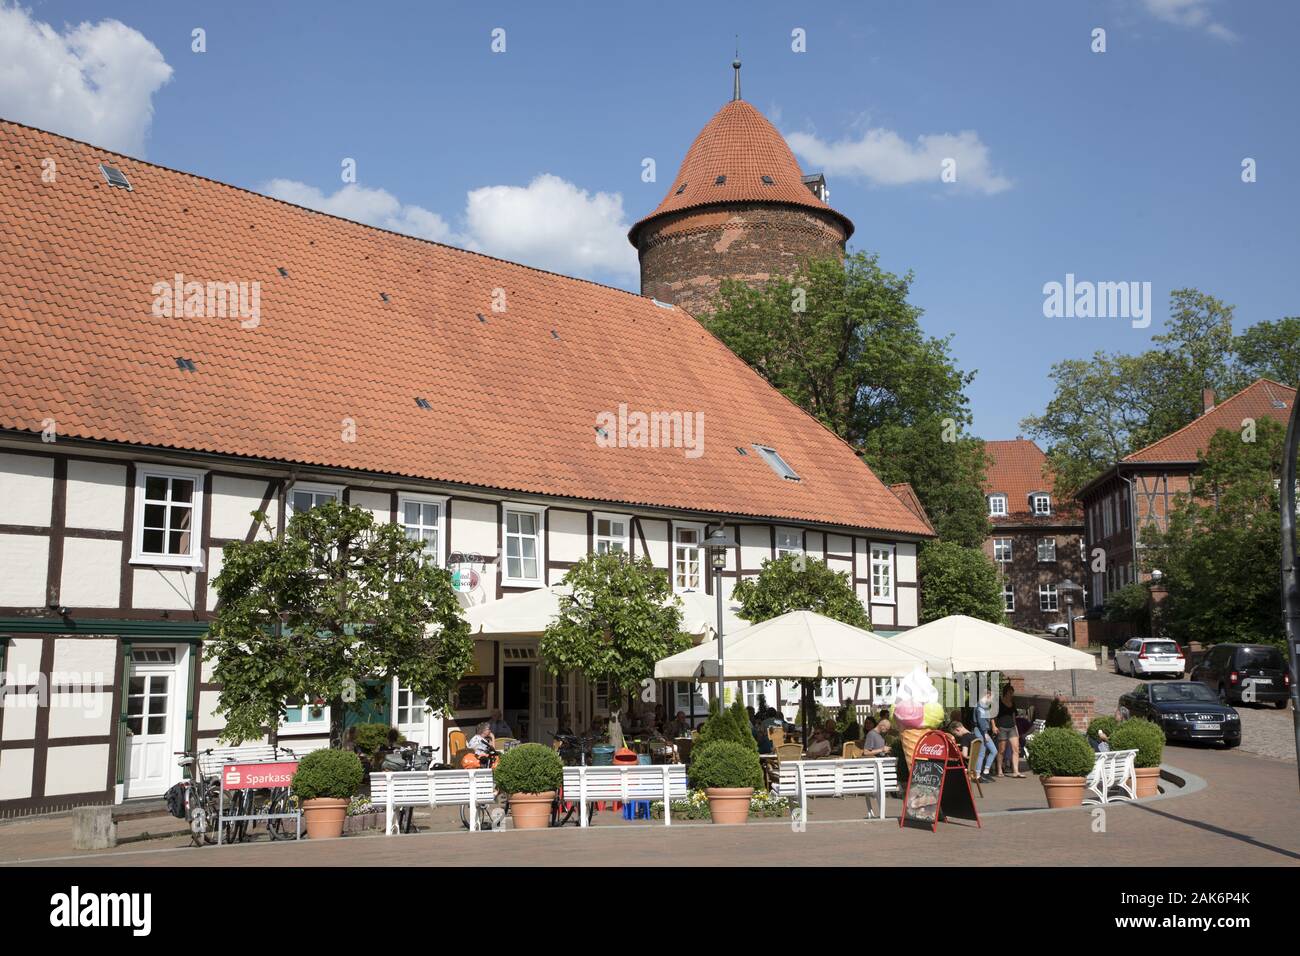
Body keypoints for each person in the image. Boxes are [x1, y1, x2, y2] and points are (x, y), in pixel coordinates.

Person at [994, 685, 1024, 777]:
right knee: (1002, 750)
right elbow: (993, 716)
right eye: (1010, 693)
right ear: (1006, 692)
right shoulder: (998, 702)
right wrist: (994, 726)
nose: (1011, 695)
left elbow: (1013, 717)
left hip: (1012, 728)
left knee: (1016, 749)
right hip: (1002, 728)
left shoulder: (1012, 703)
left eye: (1012, 693)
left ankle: (1016, 771)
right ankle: (999, 769)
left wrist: (1016, 729)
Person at [973, 690, 997, 782]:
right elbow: (981, 721)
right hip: (980, 731)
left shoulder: (984, 706)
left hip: (983, 731)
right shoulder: (980, 706)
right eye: (992, 697)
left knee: (993, 751)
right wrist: (985, 733)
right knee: (981, 753)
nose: (992, 700)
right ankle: (978, 776)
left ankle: (985, 772)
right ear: (987, 695)